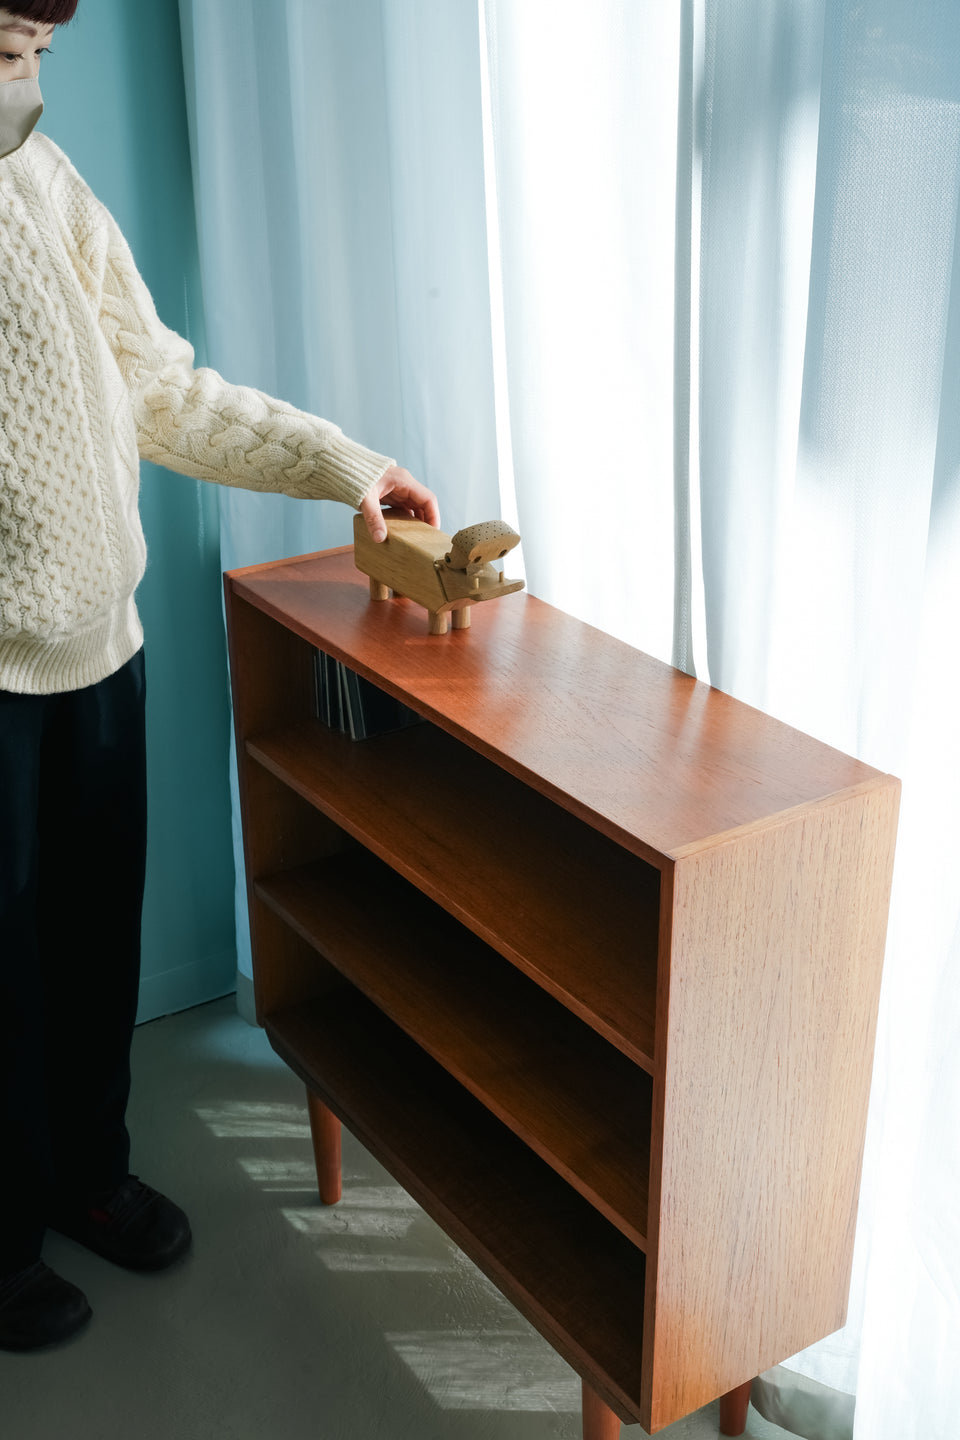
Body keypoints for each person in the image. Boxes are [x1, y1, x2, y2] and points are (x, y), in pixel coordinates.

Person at [0, 0, 440, 1351]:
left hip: (103, 654)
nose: (25, 83)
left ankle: (89, 1173)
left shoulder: (49, 185)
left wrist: (344, 466)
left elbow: (166, 392)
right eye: (5, 52)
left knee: (89, 941)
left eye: (37, 59)